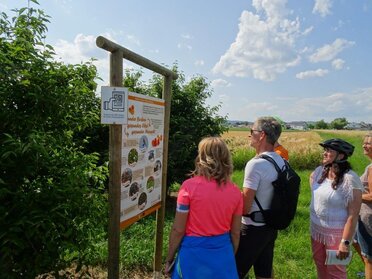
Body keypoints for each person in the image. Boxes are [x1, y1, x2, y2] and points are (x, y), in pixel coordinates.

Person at [164, 136, 243, 278]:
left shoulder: (188, 187)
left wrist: (169, 258)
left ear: (201, 158)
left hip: (192, 254)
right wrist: (228, 256)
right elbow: (236, 233)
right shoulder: (236, 192)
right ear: (226, 158)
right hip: (223, 253)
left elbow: (178, 229)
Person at [235, 116, 285, 279]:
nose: (250, 135)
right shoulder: (281, 160)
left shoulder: (255, 164)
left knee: (235, 272)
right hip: (270, 226)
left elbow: (245, 207)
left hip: (252, 228)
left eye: (252, 131)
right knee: (264, 273)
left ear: (262, 135)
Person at [310, 138, 363, 279]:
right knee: (320, 264)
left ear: (341, 156)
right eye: (324, 150)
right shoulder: (319, 172)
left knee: (335, 272)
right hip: (317, 231)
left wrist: (345, 242)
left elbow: (353, 214)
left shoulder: (350, 179)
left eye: (329, 151)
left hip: (336, 235)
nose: (324, 153)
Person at [354, 133, 372, 278]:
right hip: (362, 215)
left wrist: (353, 195)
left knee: (369, 257)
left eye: (368, 143)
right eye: (364, 142)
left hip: (368, 217)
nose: (364, 145)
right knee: (355, 240)